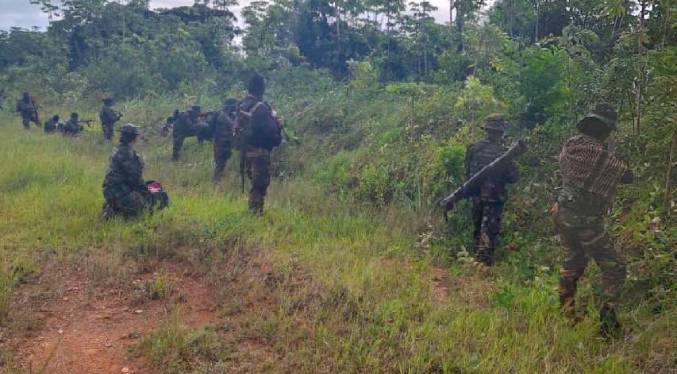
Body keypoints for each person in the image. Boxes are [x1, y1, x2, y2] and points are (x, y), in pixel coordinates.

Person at [553, 103, 633, 338]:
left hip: (562, 214)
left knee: (572, 263)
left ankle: (567, 315)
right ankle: (608, 327)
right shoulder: (604, 157)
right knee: (615, 268)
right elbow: (627, 176)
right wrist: (612, 153)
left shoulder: (571, 146)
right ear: (605, 130)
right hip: (586, 223)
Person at [464, 114, 519, 266]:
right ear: (501, 132)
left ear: (486, 130)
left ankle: (477, 259)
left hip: (475, 195)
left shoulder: (473, 149)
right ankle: (483, 264)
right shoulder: (504, 153)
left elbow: (467, 172)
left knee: (477, 227)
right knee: (489, 230)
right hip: (494, 198)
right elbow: (513, 177)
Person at [236, 74, 282, 215]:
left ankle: (254, 215)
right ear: (261, 89)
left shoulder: (242, 106)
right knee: (259, 187)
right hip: (260, 154)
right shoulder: (261, 108)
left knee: (255, 185)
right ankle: (254, 216)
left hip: (246, 153)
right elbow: (271, 133)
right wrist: (278, 125)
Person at [102, 124, 167, 219]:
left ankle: (113, 207)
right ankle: (118, 212)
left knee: (149, 188)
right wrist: (148, 192)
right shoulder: (129, 155)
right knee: (157, 195)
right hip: (120, 193)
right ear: (134, 138)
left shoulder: (117, 150)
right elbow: (136, 180)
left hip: (110, 191)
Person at [212, 98, 238, 182]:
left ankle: (217, 181)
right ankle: (215, 182)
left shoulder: (225, 115)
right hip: (221, 145)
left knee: (222, 164)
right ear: (229, 107)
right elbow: (233, 126)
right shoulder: (223, 116)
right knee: (220, 164)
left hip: (224, 144)